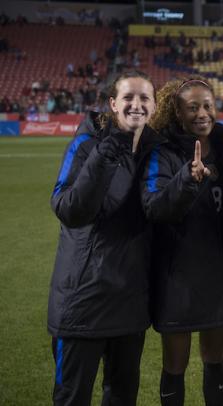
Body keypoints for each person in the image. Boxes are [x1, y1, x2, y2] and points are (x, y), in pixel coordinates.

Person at [48, 70, 161, 405]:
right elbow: (69, 209)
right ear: (113, 103)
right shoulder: (87, 143)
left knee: (122, 397)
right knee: (72, 397)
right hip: (83, 301)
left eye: (144, 98)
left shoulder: (155, 150)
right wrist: (109, 148)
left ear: (154, 106)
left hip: (129, 302)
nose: (136, 104)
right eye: (128, 97)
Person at [141, 77, 223, 406]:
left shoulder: (222, 146)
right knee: (175, 364)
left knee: (215, 360)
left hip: (217, 273)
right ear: (177, 113)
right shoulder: (162, 150)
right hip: (178, 275)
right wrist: (187, 178)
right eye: (193, 107)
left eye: (208, 106)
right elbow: (155, 207)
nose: (203, 113)